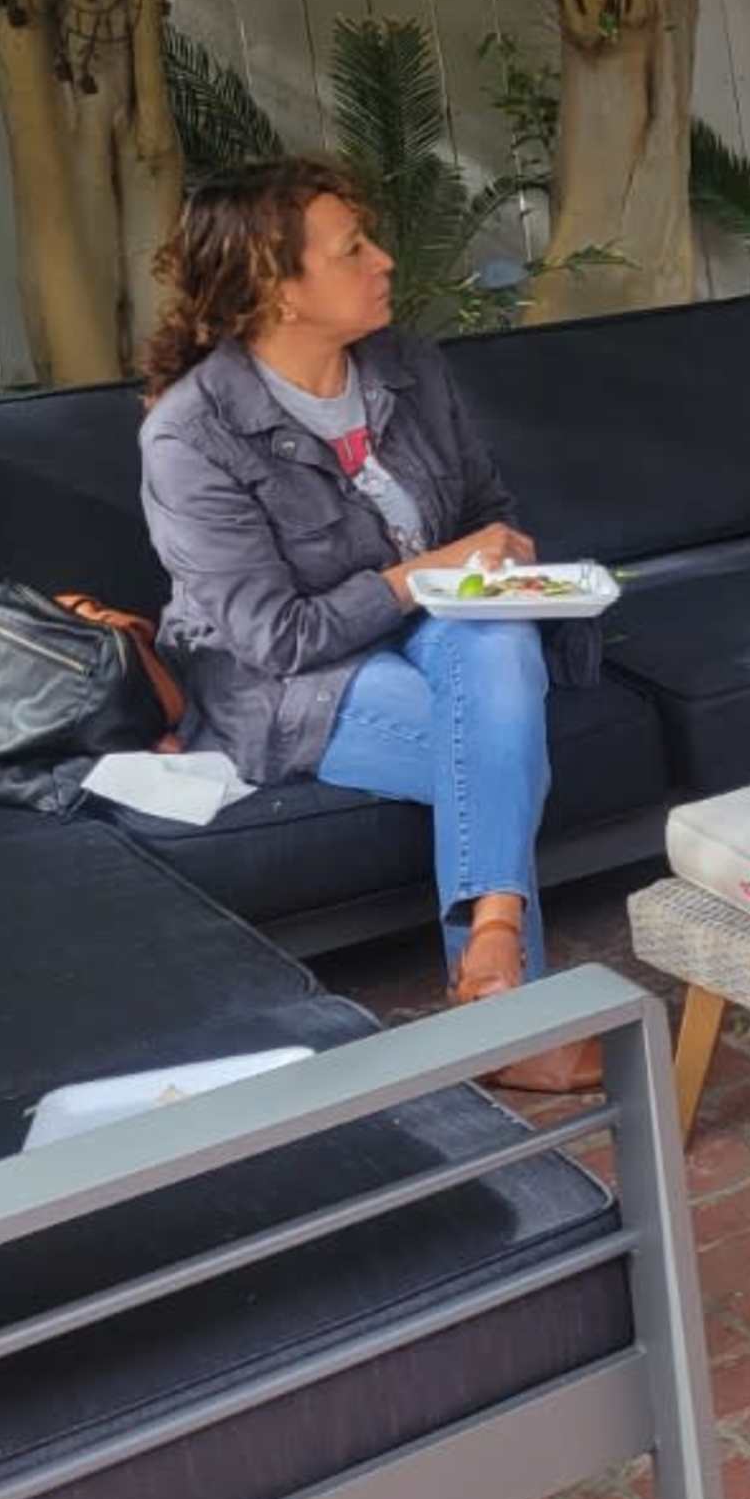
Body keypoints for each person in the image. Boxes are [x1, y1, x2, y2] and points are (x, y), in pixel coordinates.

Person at [138, 161, 601, 1093]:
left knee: (497, 648)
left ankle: (494, 971)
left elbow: (481, 504)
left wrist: (499, 560)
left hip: (442, 634)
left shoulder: (405, 366)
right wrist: (417, 576)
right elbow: (273, 638)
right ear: (278, 289)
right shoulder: (191, 438)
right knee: (492, 739)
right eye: (353, 250)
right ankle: (508, 1002)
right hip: (287, 685)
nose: (384, 261)